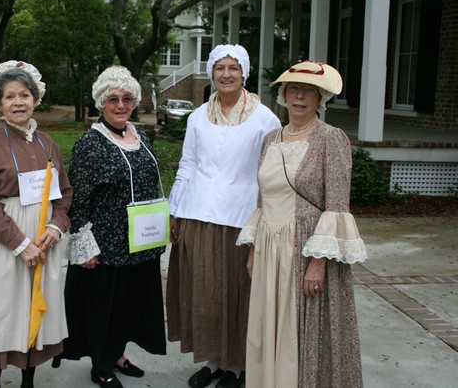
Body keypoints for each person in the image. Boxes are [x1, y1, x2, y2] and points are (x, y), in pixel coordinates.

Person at [238, 61, 366, 387]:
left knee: (302, 329)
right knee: (268, 324)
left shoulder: (330, 139)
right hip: (269, 246)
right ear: (283, 95)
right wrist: (254, 250)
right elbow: (263, 198)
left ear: (320, 98)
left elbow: (337, 206)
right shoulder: (270, 139)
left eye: (309, 90)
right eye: (293, 89)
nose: (299, 96)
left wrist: (317, 262)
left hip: (305, 246)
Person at [166, 44, 281, 388]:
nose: (226, 74)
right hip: (197, 215)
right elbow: (187, 164)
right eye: (220, 67)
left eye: (233, 68)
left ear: (244, 73)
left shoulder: (266, 119)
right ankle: (213, 362)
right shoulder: (198, 115)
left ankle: (237, 367)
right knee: (204, 296)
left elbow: (270, 176)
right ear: (212, 73)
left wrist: (263, 222)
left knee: (237, 294)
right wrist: (175, 210)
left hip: (240, 218)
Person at [57, 66, 167, 388]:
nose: (121, 105)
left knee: (130, 304)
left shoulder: (141, 136)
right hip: (108, 245)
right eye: (113, 99)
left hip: (141, 241)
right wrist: (84, 245)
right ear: (101, 103)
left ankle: (118, 354)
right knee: (105, 308)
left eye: (127, 98)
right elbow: (78, 199)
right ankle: (101, 364)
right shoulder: (90, 144)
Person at [0, 60, 73, 388]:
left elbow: (64, 193)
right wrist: (20, 244)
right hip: (1, 242)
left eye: (24, 95)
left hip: (43, 240)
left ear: (35, 99)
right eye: (10, 96)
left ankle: (28, 381)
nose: (18, 102)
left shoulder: (48, 143)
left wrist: (56, 226)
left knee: (33, 310)